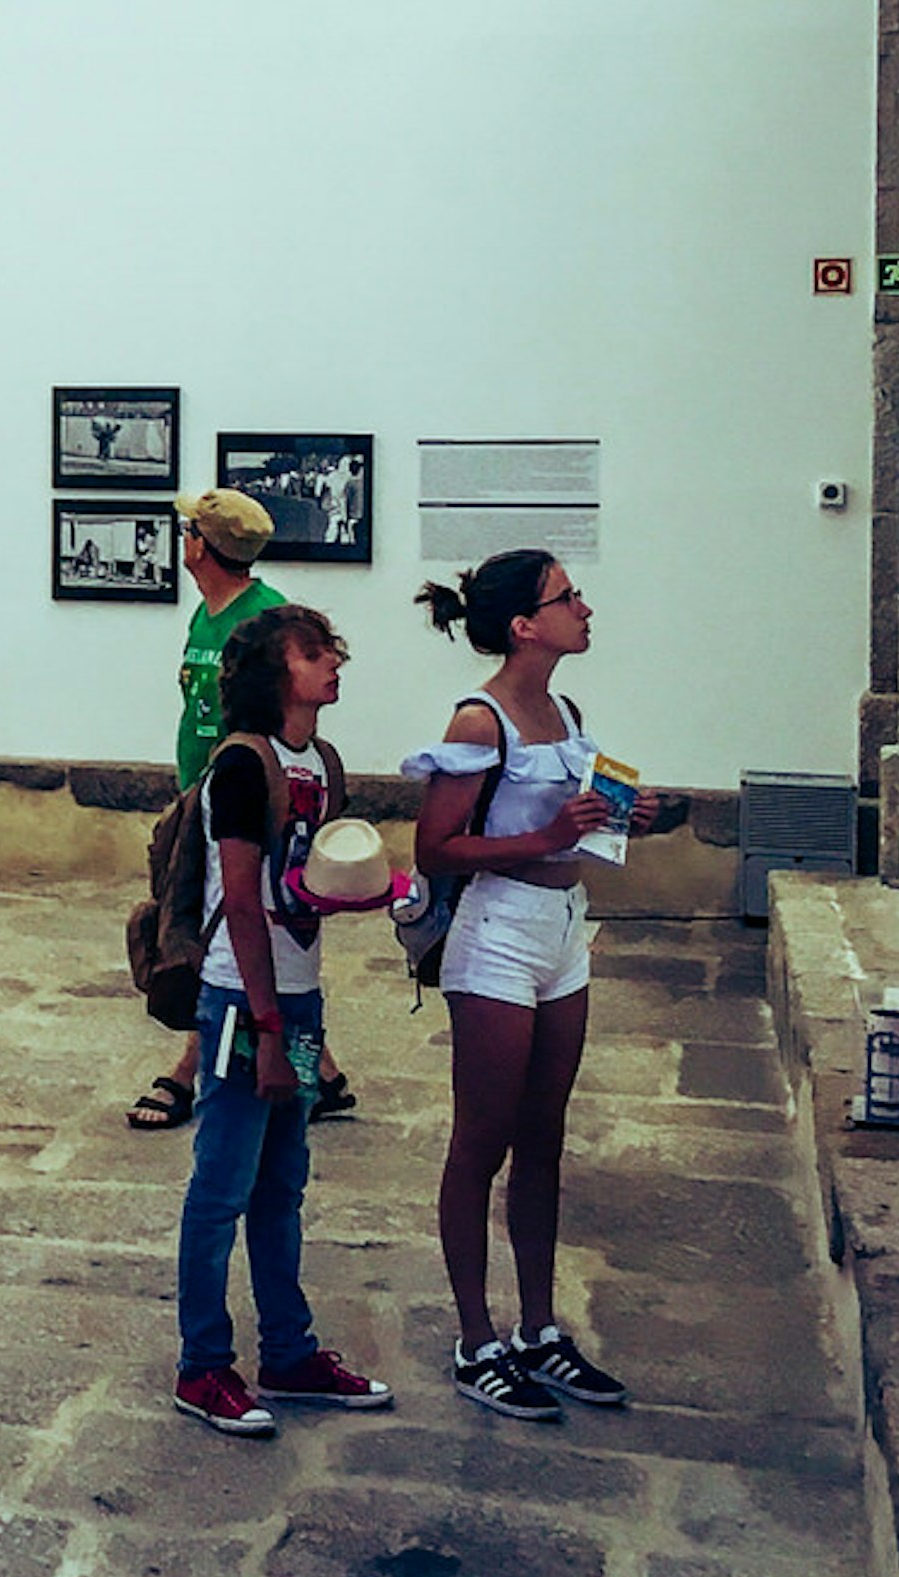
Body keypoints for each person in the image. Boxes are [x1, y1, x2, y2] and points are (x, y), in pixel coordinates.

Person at [405, 548, 672, 1422]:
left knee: (545, 1137)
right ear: (525, 625)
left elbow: (569, 827)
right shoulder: (481, 722)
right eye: (568, 597)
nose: (586, 608)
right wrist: (549, 831)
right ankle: (476, 1337)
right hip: (500, 935)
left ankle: (538, 1329)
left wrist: (629, 816)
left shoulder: (563, 707)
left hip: (563, 927)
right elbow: (435, 848)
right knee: (481, 1139)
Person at [170, 601, 393, 1437]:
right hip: (244, 1005)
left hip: (296, 1004)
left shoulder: (321, 762)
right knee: (222, 1184)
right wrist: (268, 1028)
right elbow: (240, 897)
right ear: (276, 674)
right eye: (315, 652)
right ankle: (202, 1366)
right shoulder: (240, 767)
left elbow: (299, 882)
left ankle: (289, 1350)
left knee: (282, 1181)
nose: (334, 661)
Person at [131, 490, 357, 1130]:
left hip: (240, 803)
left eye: (188, 531)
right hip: (200, 797)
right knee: (210, 928)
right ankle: (328, 1075)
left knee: (218, 934)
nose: (184, 541)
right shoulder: (205, 615)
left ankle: (189, 1070)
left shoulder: (265, 620)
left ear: (202, 544)